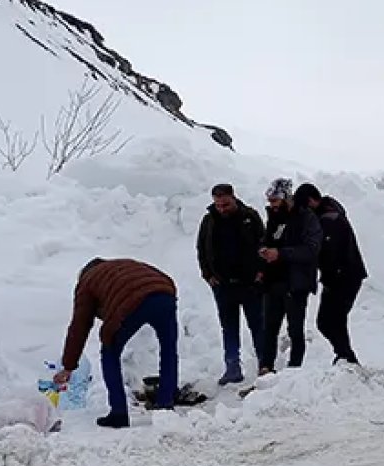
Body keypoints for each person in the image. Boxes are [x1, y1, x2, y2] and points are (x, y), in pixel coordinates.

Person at [53, 257, 180, 428]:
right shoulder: (120, 266)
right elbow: (159, 278)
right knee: (169, 349)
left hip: (131, 300)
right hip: (164, 293)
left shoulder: (87, 282)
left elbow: (79, 326)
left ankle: (118, 413)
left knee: (110, 351)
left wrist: (68, 365)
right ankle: (166, 403)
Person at [196, 183, 266, 385]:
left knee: (258, 325)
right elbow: (202, 249)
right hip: (223, 285)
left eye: (225, 204)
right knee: (229, 327)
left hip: (250, 283)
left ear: (233, 198)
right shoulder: (209, 221)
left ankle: (265, 364)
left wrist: (261, 271)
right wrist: (208, 275)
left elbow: (264, 243)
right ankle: (232, 367)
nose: (222, 209)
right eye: (218, 205)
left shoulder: (249, 217)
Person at [293, 182, 368, 364]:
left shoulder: (329, 220)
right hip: (342, 276)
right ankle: (345, 357)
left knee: (329, 321)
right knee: (332, 321)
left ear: (311, 201)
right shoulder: (329, 213)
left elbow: (328, 252)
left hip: (343, 277)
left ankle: (346, 358)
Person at [258, 177, 323, 372]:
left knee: (295, 330)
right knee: (268, 328)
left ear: (286, 198)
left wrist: (281, 254)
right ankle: (266, 368)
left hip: (296, 283)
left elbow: (311, 250)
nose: (272, 205)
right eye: (270, 201)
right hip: (272, 281)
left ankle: (294, 371)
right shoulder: (273, 218)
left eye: (275, 201)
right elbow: (267, 240)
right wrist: (263, 254)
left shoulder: (306, 218)